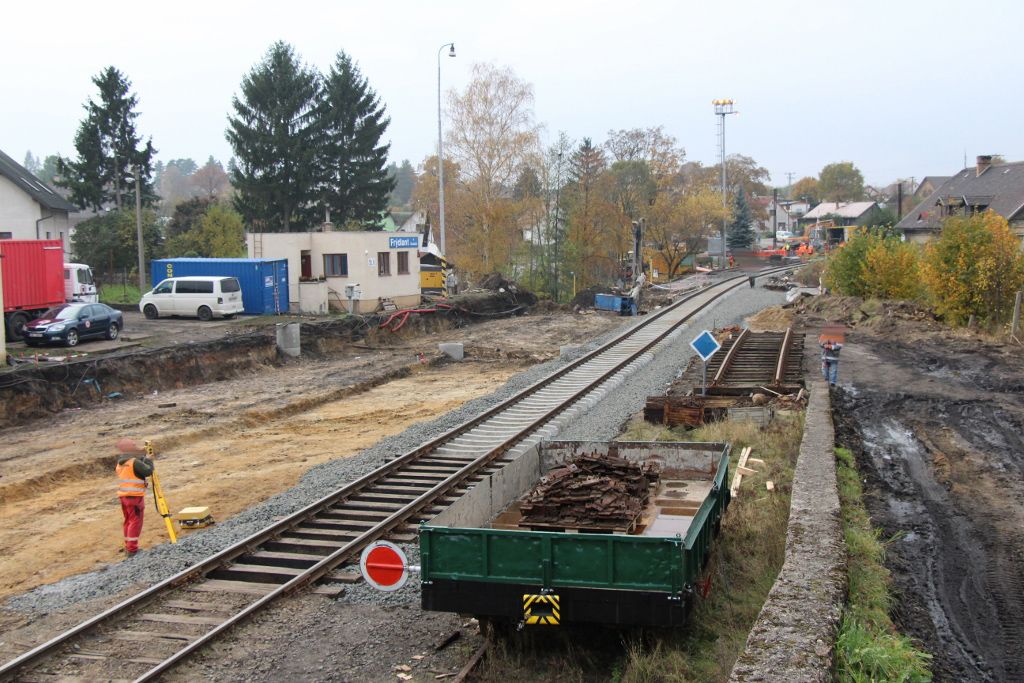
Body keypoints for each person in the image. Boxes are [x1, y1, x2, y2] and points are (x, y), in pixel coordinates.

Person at [115, 438, 154, 557]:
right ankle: (132, 550)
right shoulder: (133, 462)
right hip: (134, 497)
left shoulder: (121, 462)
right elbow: (147, 471)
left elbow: (135, 469)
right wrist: (149, 460)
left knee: (128, 521)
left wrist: (143, 455)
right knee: (135, 522)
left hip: (124, 497)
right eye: (134, 446)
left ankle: (128, 546)